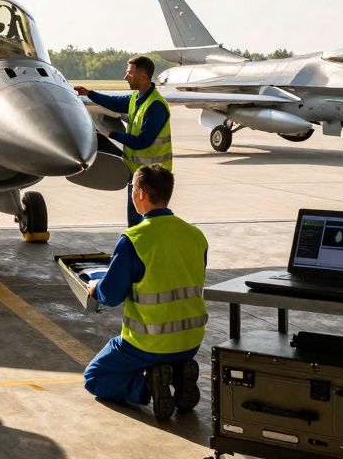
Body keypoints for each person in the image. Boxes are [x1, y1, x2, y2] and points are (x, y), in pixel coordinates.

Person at [82, 164, 206, 421]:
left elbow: (112, 295)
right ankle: (179, 371)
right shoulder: (196, 236)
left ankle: (148, 385)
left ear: (140, 193)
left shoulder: (135, 239)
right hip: (190, 341)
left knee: (95, 377)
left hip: (147, 342)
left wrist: (96, 289)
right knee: (166, 355)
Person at [73, 55, 172, 226]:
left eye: (129, 73)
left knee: (148, 225)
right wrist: (89, 93)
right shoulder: (136, 98)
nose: (125, 77)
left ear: (142, 76)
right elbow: (113, 102)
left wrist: (111, 134)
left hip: (154, 179)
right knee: (135, 225)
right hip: (137, 175)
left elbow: (143, 141)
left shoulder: (155, 106)